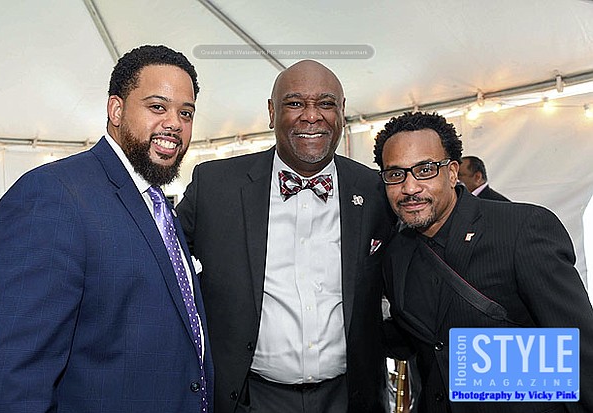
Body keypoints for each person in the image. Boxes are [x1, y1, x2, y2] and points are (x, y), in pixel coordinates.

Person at [0, 45, 213, 412]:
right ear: (116, 110)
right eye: (157, 107)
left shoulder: (158, 203)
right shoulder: (53, 195)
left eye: (186, 113)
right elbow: (7, 375)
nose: (174, 124)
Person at [176, 60, 398, 413]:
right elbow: (162, 260)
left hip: (349, 397)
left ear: (342, 111)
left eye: (325, 103)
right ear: (271, 111)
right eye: (295, 103)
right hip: (249, 397)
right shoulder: (216, 187)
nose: (311, 116)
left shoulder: (375, 190)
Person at [373, 111, 593, 413]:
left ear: (452, 172)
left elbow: (578, 350)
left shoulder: (521, 229)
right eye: (396, 174)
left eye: (425, 170)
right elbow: (417, 339)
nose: (410, 188)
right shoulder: (396, 252)